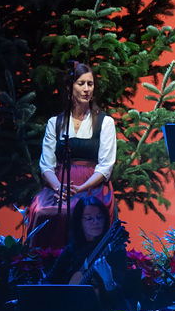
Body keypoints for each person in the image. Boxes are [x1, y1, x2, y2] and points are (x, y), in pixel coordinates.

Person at [27, 62, 116, 248]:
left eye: (90, 84)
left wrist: (81, 188)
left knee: (80, 210)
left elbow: (105, 166)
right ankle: (44, 260)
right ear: (70, 87)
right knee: (42, 210)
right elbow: (46, 165)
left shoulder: (104, 122)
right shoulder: (55, 123)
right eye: (81, 83)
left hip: (91, 185)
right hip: (59, 185)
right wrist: (59, 188)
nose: (86, 89)